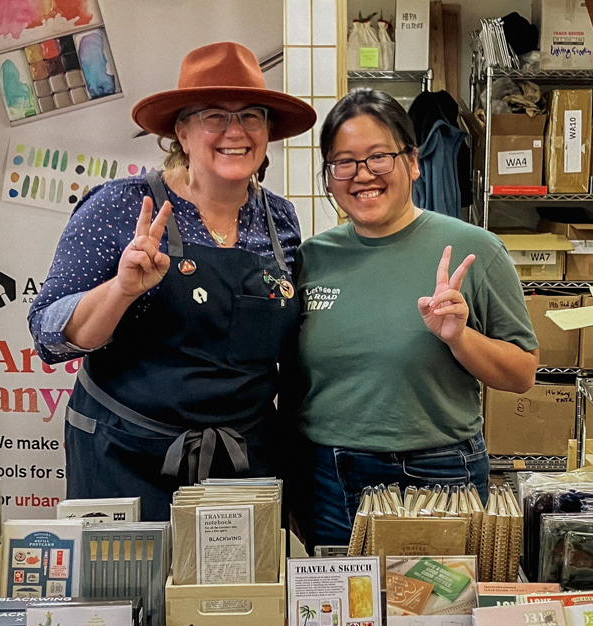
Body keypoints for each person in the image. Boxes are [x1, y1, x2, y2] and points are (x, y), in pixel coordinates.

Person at [28, 42, 315, 520]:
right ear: (181, 131)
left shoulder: (279, 219)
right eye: (214, 117)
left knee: (234, 598)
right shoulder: (120, 206)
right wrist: (121, 289)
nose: (235, 132)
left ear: (268, 131)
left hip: (244, 466)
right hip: (126, 457)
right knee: (131, 593)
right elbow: (49, 334)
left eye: (251, 116)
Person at [289, 88, 539, 550]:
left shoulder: (475, 249)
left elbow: (522, 373)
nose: (362, 175)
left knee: (437, 617)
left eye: (378, 157)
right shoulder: (311, 258)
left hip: (439, 472)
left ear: (413, 162)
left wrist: (460, 338)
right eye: (343, 162)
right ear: (329, 177)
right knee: (343, 620)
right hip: (327, 476)